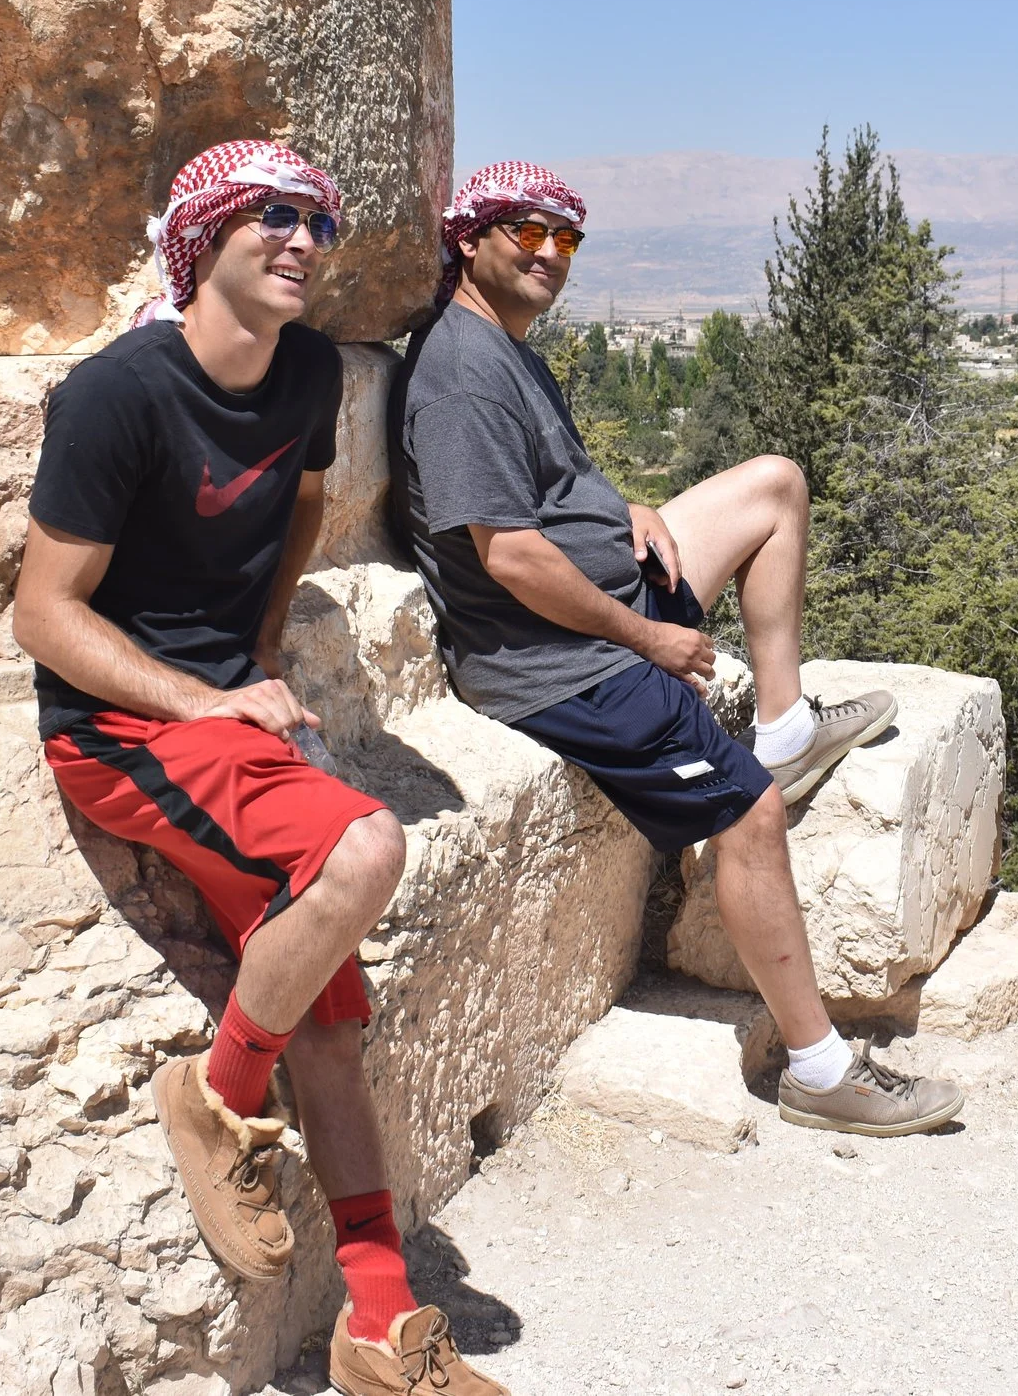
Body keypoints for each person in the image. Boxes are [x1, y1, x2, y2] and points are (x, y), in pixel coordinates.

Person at [14, 140, 508, 1396]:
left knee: (331, 1021)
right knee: (366, 844)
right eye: (272, 216)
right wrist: (206, 694)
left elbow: (299, 500)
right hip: (120, 734)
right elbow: (45, 613)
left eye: (320, 221)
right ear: (204, 236)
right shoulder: (115, 395)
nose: (303, 238)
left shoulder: (300, 376)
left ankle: (381, 1323)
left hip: (223, 714)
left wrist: (258, 640)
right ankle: (215, 1093)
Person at [390, 160, 965, 1137]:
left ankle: (783, 723)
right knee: (748, 813)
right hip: (555, 658)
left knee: (774, 485)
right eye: (527, 232)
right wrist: (647, 633)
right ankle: (820, 1069)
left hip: (603, 596)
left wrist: (630, 510)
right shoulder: (457, 373)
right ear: (470, 235)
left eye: (566, 238)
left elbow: (556, 488)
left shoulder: (507, 344)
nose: (547, 254)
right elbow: (515, 558)